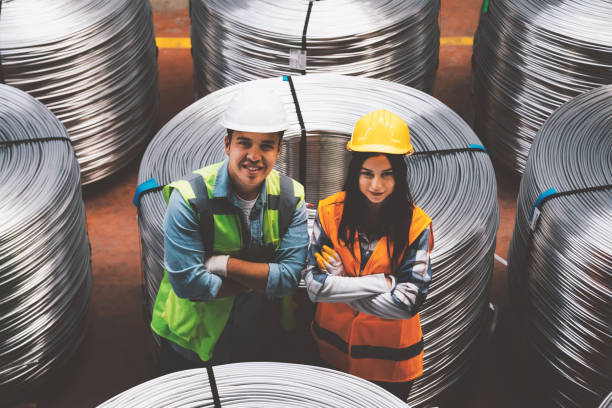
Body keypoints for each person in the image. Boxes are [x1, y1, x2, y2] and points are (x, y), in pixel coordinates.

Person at [150, 86, 309, 373]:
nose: (254, 156)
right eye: (244, 143)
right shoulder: (190, 199)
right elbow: (189, 284)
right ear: (227, 144)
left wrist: (222, 264)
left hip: (262, 336)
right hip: (193, 343)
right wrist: (261, 280)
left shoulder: (291, 197)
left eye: (266, 145)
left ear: (279, 150)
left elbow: (288, 279)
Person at [304, 109, 434, 401]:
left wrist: (338, 285)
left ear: (399, 176)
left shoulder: (417, 226)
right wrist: (383, 283)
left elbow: (407, 304)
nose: (376, 185)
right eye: (368, 174)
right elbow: (313, 287)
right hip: (330, 353)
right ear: (355, 173)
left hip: (390, 366)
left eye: (387, 175)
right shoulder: (329, 213)